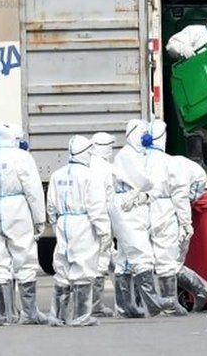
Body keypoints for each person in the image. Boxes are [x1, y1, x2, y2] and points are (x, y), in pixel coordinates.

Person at [0, 122, 47, 325]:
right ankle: (29, 313)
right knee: (24, 259)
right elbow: (33, 190)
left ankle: (5, 314)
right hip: (17, 209)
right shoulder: (21, 157)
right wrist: (39, 219)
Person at [47, 136, 112, 327]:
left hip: (63, 222)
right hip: (83, 224)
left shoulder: (56, 175)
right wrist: (104, 232)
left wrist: (56, 222)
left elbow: (50, 206)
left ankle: (58, 316)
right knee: (83, 267)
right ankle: (81, 316)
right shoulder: (89, 176)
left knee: (63, 268)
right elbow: (96, 207)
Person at [113, 119, 165, 317]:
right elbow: (146, 181)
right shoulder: (127, 155)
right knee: (141, 253)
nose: (146, 137)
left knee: (126, 258)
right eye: (143, 132)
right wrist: (148, 190)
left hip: (135, 205)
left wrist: (146, 193)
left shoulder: (138, 154)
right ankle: (153, 302)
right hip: (127, 207)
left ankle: (126, 307)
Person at [145, 120, 193, 316]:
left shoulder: (137, 160)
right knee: (166, 257)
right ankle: (169, 303)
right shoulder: (170, 163)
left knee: (143, 259)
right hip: (164, 210)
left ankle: (144, 303)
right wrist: (186, 222)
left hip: (141, 211)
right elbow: (180, 195)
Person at [173, 153, 207, 312]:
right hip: (168, 218)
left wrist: (185, 223)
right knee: (169, 262)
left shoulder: (182, 175)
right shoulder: (186, 171)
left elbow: (184, 197)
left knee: (170, 263)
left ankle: (202, 289)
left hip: (169, 220)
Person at [89, 131, 118, 317]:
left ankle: (93, 304)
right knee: (102, 260)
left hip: (84, 221)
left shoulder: (86, 166)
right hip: (102, 220)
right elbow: (110, 200)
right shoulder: (107, 170)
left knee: (93, 260)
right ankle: (95, 305)